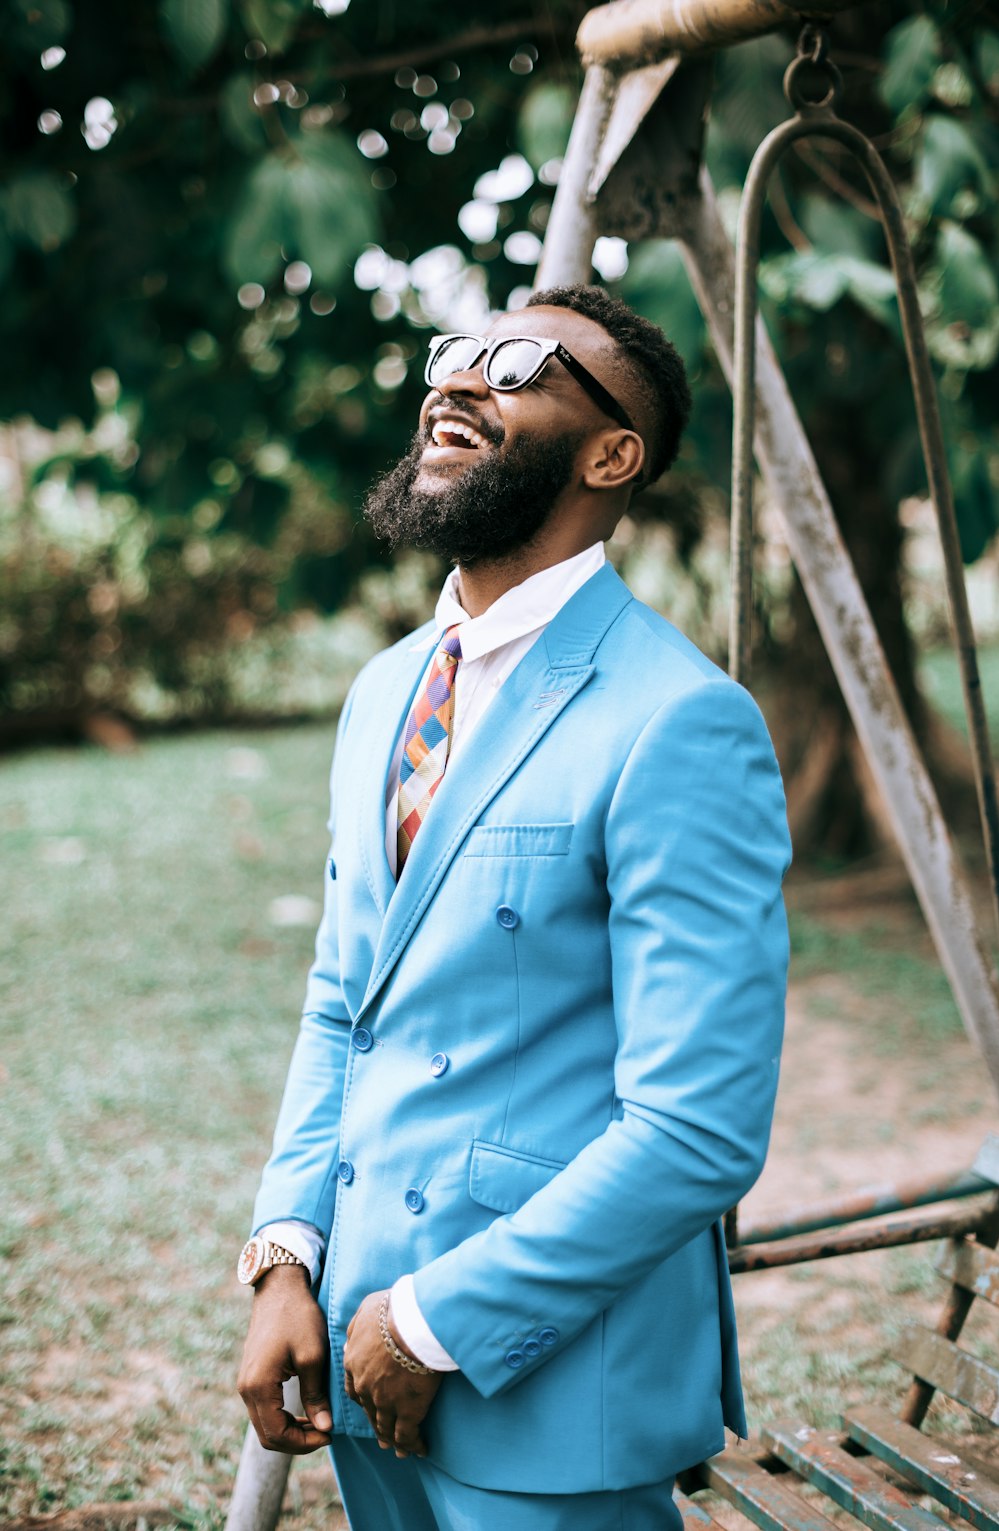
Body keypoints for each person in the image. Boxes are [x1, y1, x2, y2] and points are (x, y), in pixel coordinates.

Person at [236, 284, 791, 1531]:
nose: (459, 377)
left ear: (612, 455)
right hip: (355, 1340)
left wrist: (433, 1326)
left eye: (519, 362)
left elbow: (698, 1126)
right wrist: (289, 1253)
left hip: (545, 1380)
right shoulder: (384, 692)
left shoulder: (681, 720)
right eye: (453, 353)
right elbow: (345, 1005)